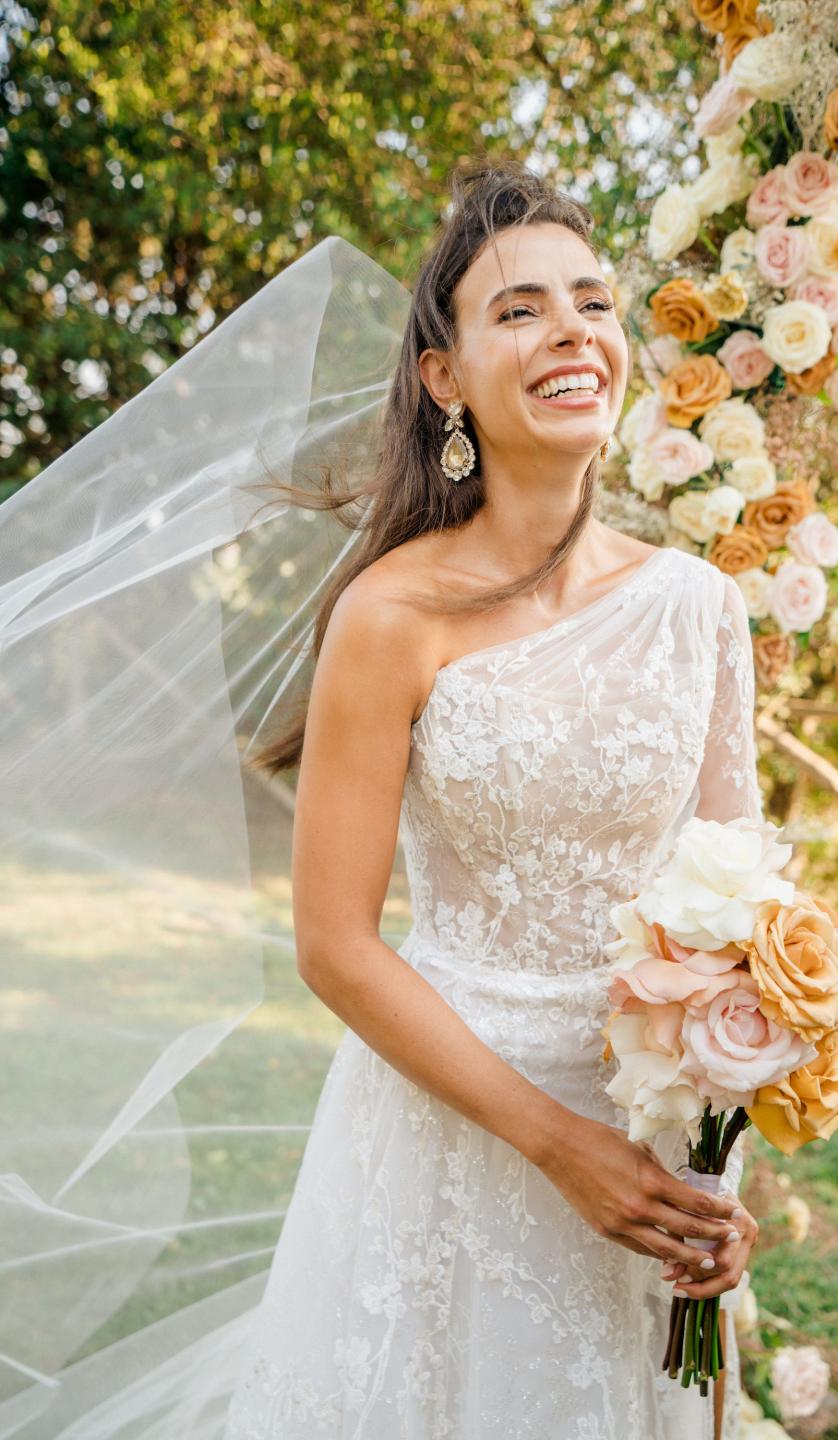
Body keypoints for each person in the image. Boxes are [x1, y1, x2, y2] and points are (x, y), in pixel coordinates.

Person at [222, 163, 760, 1440]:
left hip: (645, 1145)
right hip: (451, 1136)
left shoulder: (701, 609)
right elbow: (335, 945)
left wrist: (715, 1177)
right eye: (520, 311)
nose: (573, 330)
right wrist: (558, 1145)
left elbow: (741, 921)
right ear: (445, 378)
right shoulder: (390, 616)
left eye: (594, 301)